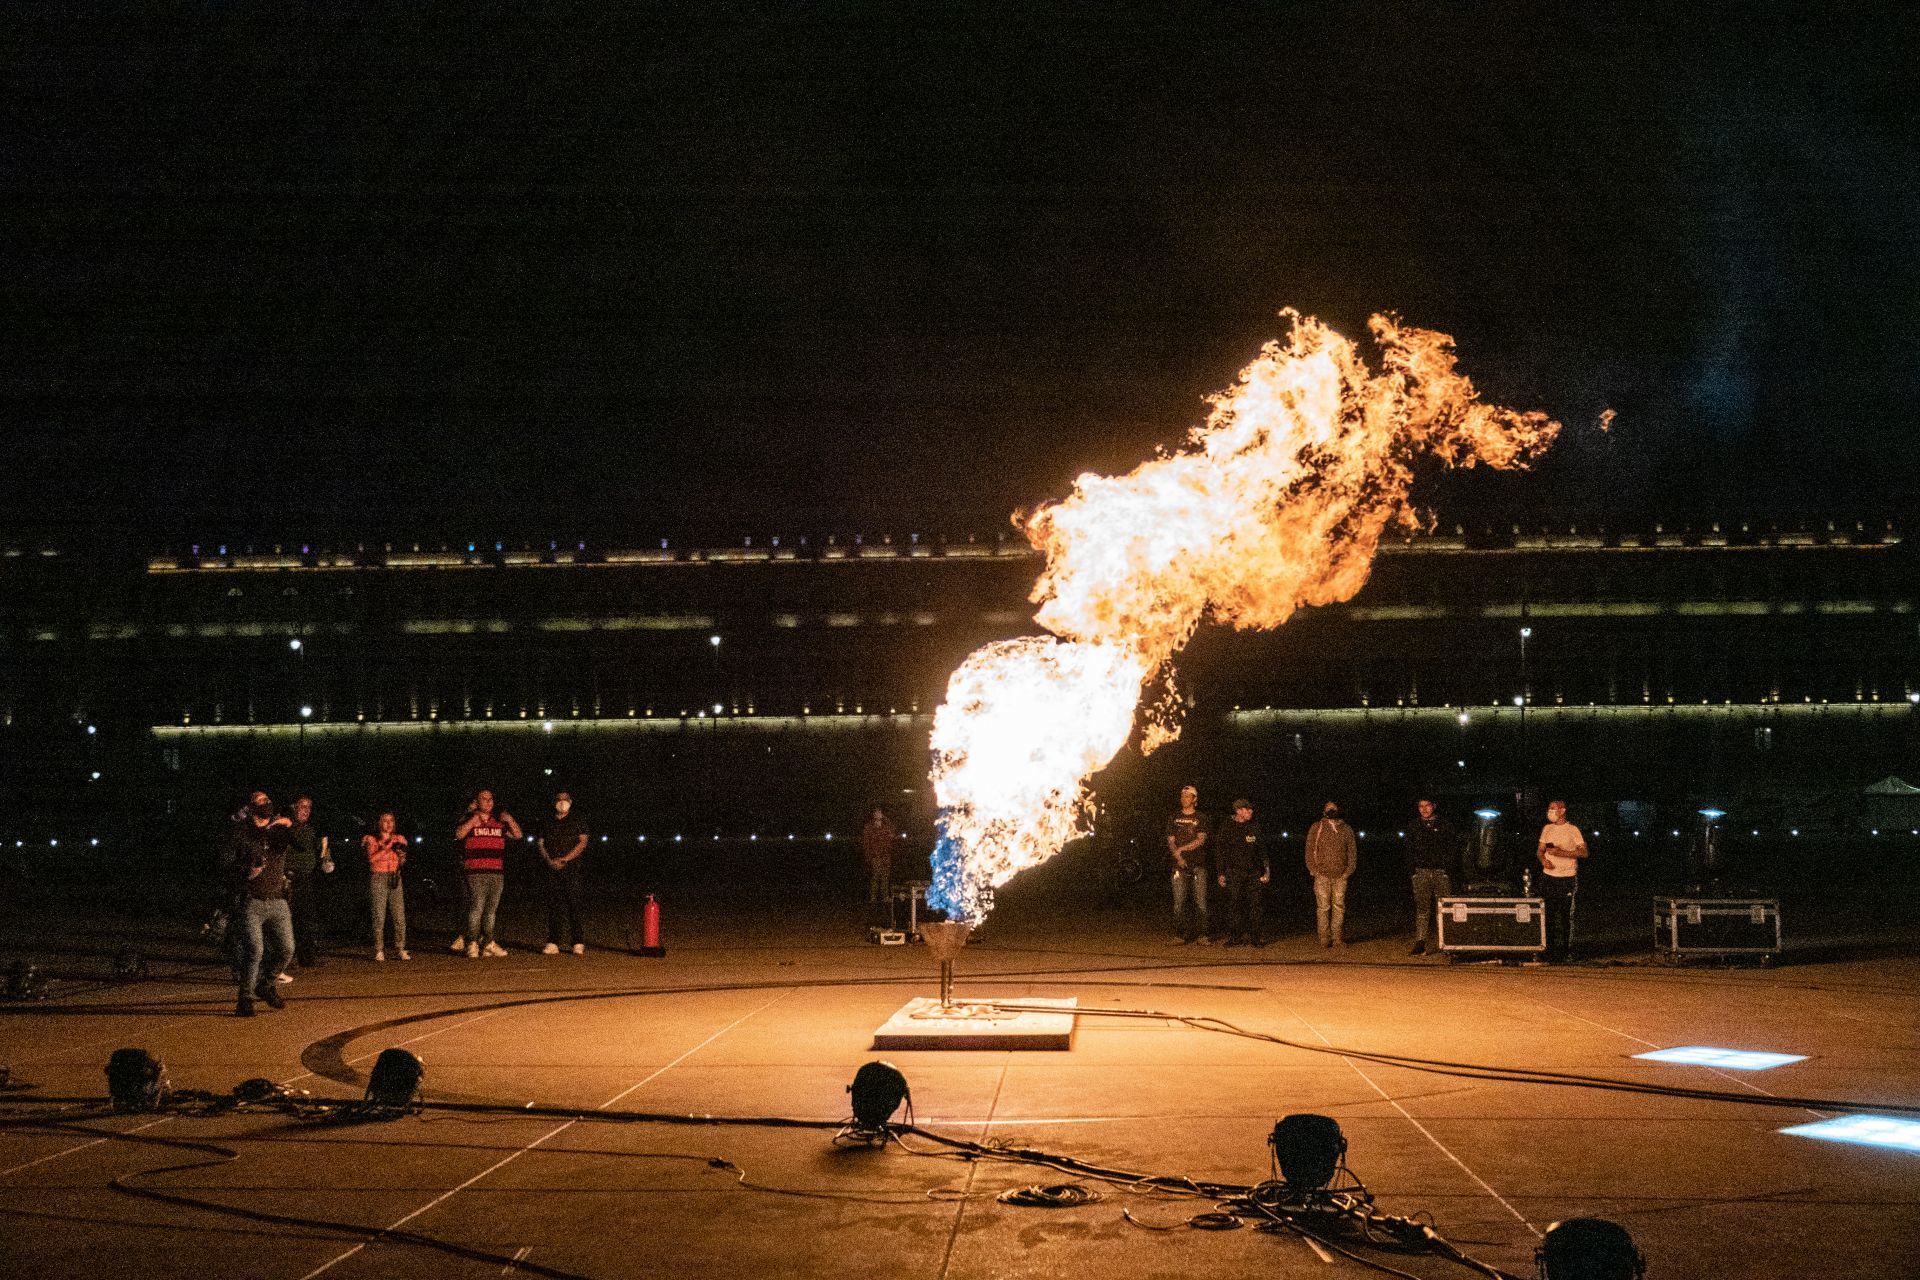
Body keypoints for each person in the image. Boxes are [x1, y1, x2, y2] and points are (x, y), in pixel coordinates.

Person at [223, 795, 294, 1016]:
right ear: (252, 806)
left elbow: (298, 840)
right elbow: (226, 862)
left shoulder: (279, 830)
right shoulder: (242, 833)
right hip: (252, 899)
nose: (267, 802)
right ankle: (245, 998)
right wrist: (246, 871)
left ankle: (266, 984)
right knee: (255, 950)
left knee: (287, 949)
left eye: (268, 799)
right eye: (261, 800)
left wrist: (288, 823)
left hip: (278, 900)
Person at [454, 789, 520, 958]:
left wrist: (510, 819)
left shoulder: (497, 822)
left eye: (491, 799)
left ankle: (488, 942)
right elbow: (459, 834)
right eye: (484, 799)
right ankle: (472, 943)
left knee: (491, 910)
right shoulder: (469, 818)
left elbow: (518, 835)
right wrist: (473, 820)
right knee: (476, 908)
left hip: (496, 872)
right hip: (476, 872)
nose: (488, 802)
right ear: (477, 802)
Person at [285, 795, 335, 968]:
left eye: (309, 807)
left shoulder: (311, 830)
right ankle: (285, 958)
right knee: (286, 920)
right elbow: (294, 845)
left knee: (306, 918)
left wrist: (326, 859)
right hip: (287, 879)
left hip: (305, 879)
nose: (306, 811)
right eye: (302, 806)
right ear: (293, 807)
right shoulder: (286, 827)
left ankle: (307, 957)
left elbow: (322, 849)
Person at [1405, 797, 1459, 956]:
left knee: (1443, 909)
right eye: (1420, 806)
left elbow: (1453, 847)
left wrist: (1447, 869)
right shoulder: (1413, 826)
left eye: (1427, 805)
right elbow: (1408, 850)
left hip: (1440, 872)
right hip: (1421, 872)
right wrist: (1413, 872)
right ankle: (1420, 943)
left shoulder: (1445, 825)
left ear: (1434, 806)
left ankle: (1446, 943)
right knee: (1422, 909)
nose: (1424, 809)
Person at [1536, 799, 1588, 962]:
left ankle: (1567, 951)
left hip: (1566, 878)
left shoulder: (1572, 830)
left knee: (1566, 916)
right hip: (1548, 877)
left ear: (1562, 810)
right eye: (1549, 808)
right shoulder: (1547, 828)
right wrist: (1544, 860)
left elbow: (1584, 852)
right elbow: (1540, 851)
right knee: (1548, 915)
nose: (1550, 811)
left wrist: (1562, 853)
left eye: (1553, 808)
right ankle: (1549, 951)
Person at [538, 791, 588, 954]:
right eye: (558, 799)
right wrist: (549, 861)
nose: (562, 802)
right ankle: (553, 941)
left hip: (572, 869)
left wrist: (565, 859)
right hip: (551, 869)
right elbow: (540, 843)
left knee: (574, 904)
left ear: (571, 802)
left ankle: (578, 941)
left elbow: (582, 842)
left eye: (565, 799)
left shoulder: (577, 820)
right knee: (554, 905)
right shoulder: (547, 821)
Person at [1214, 799, 1270, 946]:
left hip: (1253, 872)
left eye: (1251, 809)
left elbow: (1262, 850)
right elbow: (1220, 852)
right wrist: (1220, 872)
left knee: (1256, 904)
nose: (1251, 811)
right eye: (1247, 809)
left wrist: (1267, 871)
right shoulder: (1227, 827)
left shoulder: (1255, 827)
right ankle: (1235, 936)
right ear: (1239, 811)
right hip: (1234, 872)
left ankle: (1256, 937)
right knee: (1234, 904)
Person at [1305, 800, 1357, 949]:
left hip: (1341, 876)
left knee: (1339, 907)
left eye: (1334, 808)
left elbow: (1352, 852)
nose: (1331, 810)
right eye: (1328, 808)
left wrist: (1348, 871)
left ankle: (1337, 939)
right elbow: (1309, 850)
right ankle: (1324, 939)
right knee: (1323, 908)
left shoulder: (1346, 829)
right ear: (1323, 811)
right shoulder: (1317, 827)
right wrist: (1314, 870)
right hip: (1322, 875)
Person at [1166, 785, 1212, 943]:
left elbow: (1200, 839)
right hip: (1178, 866)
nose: (1183, 798)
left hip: (1198, 865)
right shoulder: (1174, 817)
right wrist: (1178, 856)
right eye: (1182, 795)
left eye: (1187, 796)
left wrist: (1181, 850)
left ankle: (1202, 935)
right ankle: (1180, 934)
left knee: (1201, 902)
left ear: (1194, 799)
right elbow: (1170, 840)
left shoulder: (1201, 818)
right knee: (1179, 902)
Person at [363, 811, 409, 961]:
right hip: (379, 877)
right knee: (379, 915)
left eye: (391, 821)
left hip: (395, 877)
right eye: (385, 821)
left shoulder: (400, 839)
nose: (389, 824)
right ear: (379, 823)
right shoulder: (371, 839)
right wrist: (389, 846)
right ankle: (378, 949)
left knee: (399, 915)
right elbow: (372, 859)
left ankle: (400, 948)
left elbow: (402, 861)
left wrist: (401, 856)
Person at [862, 807, 899, 906]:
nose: (878, 815)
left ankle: (885, 896)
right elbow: (866, 843)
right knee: (875, 876)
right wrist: (868, 856)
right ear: (873, 815)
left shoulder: (886, 826)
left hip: (886, 854)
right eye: (876, 813)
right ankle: (873, 897)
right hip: (875, 855)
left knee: (885, 877)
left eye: (880, 813)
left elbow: (893, 831)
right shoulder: (869, 827)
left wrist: (886, 819)